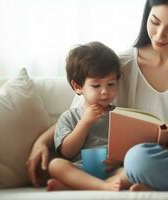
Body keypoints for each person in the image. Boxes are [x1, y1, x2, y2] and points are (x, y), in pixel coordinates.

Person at [27, 0, 168, 192]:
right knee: (138, 157)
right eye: (155, 22)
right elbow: (83, 111)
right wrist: (41, 141)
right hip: (148, 162)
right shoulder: (121, 65)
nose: (159, 35)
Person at [45, 41, 131, 191]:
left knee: (135, 167)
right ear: (78, 87)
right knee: (55, 165)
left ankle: (75, 186)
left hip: (112, 169)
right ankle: (101, 186)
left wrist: (119, 159)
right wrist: (84, 123)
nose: (105, 91)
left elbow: (129, 147)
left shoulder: (121, 115)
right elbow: (67, 152)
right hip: (81, 169)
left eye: (111, 84)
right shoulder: (69, 116)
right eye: (96, 86)